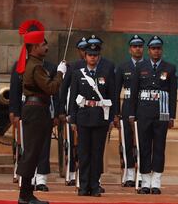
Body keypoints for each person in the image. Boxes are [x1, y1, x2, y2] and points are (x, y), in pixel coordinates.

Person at [15, 22, 66, 204]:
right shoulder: (36, 67)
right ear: (35, 46)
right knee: (32, 152)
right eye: (43, 44)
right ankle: (24, 194)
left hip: (37, 110)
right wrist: (60, 73)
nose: (46, 47)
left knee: (34, 152)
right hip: (36, 110)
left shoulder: (35, 64)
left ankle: (27, 194)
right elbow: (51, 88)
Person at [129, 36, 178, 195]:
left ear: (161, 50)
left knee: (159, 146)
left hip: (162, 112)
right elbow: (134, 92)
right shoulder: (140, 67)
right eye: (153, 48)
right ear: (148, 50)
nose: (156, 51)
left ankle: (156, 181)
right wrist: (131, 113)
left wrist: (172, 116)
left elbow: (173, 93)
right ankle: (145, 181)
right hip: (143, 112)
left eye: (158, 48)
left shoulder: (169, 68)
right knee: (143, 146)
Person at [69, 35, 115, 197]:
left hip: (100, 117)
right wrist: (72, 119)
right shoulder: (77, 74)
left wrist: (111, 119)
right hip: (83, 117)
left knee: (97, 153)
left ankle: (95, 185)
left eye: (95, 55)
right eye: (90, 55)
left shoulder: (106, 73)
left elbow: (112, 97)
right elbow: (73, 98)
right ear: (85, 56)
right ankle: (83, 185)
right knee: (83, 153)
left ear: (98, 56)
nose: (92, 58)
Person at [9, 57, 60, 192]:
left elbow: (55, 94)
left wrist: (56, 114)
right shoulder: (22, 65)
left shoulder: (51, 66)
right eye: (43, 45)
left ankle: (41, 178)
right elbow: (15, 89)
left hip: (45, 108)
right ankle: (27, 179)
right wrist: (14, 111)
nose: (46, 49)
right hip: (28, 108)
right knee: (27, 146)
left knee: (44, 145)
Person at [114, 35, 145, 187]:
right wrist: (115, 113)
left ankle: (142, 173)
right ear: (129, 49)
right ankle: (130, 173)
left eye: (140, 46)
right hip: (127, 105)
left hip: (143, 105)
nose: (137, 48)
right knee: (127, 140)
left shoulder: (148, 65)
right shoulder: (123, 67)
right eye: (134, 46)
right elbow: (115, 91)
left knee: (143, 141)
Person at [58, 37, 87, 186]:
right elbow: (64, 89)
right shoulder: (73, 66)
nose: (85, 52)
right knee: (71, 144)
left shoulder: (99, 66)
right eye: (82, 49)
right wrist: (61, 109)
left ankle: (85, 174)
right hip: (73, 109)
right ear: (78, 51)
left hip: (88, 111)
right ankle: (70, 173)